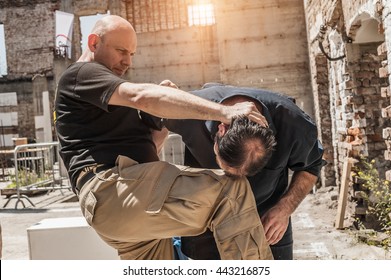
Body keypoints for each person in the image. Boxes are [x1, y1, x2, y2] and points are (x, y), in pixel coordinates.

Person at [54, 15, 273, 260]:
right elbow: (140, 96)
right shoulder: (81, 74)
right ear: (94, 43)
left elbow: (153, 146)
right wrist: (225, 111)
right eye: (121, 51)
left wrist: (160, 116)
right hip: (114, 190)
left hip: (128, 208)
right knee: (232, 192)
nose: (127, 61)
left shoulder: (101, 96)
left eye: (132, 54)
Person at [162, 83, 325, 260]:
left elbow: (311, 166)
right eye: (226, 170)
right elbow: (149, 119)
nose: (237, 183)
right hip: (205, 225)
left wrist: (284, 209)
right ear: (221, 129)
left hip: (266, 223)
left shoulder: (294, 124)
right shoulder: (191, 110)